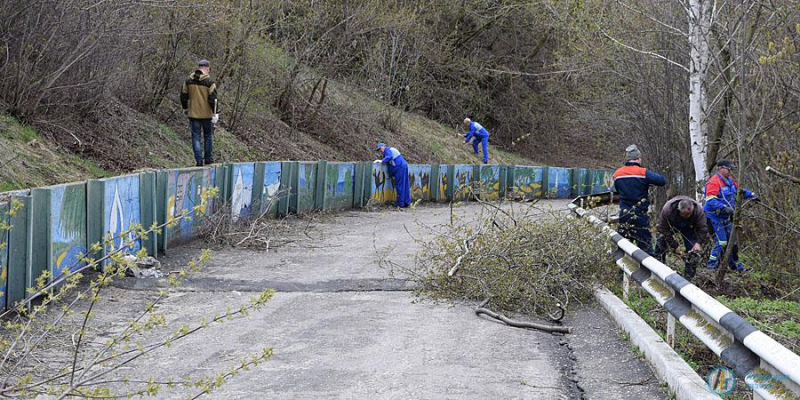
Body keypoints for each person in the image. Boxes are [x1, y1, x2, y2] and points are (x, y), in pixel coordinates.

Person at [703, 159, 757, 271]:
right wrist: (724, 208)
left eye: (731, 169)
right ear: (720, 168)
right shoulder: (713, 182)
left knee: (733, 243)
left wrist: (751, 195)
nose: (730, 171)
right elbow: (710, 201)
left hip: (726, 217)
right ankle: (711, 267)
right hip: (713, 217)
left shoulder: (730, 181)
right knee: (721, 242)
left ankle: (736, 267)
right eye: (728, 169)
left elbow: (739, 191)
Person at [612, 145, 667, 254]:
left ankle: (621, 269)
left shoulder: (617, 174)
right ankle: (648, 269)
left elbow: (617, 190)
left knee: (622, 247)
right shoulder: (643, 172)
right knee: (646, 247)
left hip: (624, 215)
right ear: (638, 159)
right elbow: (662, 181)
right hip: (640, 215)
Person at [655, 196, 709, 281]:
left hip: (689, 227)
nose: (687, 216)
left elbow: (703, 228)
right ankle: (658, 269)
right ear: (679, 210)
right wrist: (675, 246)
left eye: (689, 214)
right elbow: (663, 229)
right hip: (672, 224)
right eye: (685, 214)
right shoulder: (668, 210)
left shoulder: (698, 210)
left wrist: (698, 243)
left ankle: (688, 278)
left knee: (692, 249)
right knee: (661, 242)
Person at [181, 59, 219, 167]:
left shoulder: (188, 81)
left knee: (195, 137)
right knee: (208, 136)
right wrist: (216, 113)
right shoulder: (210, 82)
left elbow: (183, 95)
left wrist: (185, 108)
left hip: (193, 114)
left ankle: (199, 160)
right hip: (207, 115)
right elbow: (213, 99)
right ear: (207, 68)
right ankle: (208, 159)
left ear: (199, 67)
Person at [375, 142, 411, 208]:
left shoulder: (387, 150)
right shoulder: (391, 149)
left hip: (399, 167)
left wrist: (381, 161)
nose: (380, 150)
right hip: (403, 166)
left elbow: (389, 157)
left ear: (384, 146)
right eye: (379, 150)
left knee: (399, 185)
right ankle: (406, 202)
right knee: (405, 185)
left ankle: (400, 204)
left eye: (380, 148)